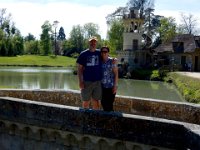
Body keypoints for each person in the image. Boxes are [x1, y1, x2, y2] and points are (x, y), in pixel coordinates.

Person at [76, 36, 102, 110]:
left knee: (96, 101)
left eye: (94, 42)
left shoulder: (99, 53)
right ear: (89, 43)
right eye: (91, 42)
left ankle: (95, 118)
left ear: (96, 43)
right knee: (86, 101)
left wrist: (113, 59)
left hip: (97, 82)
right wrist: (80, 81)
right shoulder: (83, 54)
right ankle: (85, 118)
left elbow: (106, 58)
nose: (93, 43)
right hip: (86, 82)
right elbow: (79, 69)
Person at [100, 46, 118, 111]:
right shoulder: (99, 61)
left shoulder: (112, 61)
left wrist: (115, 86)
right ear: (101, 53)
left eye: (105, 51)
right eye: (102, 52)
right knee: (104, 104)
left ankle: (111, 119)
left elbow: (116, 74)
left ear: (108, 53)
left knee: (110, 104)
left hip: (111, 86)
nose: (104, 53)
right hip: (102, 88)